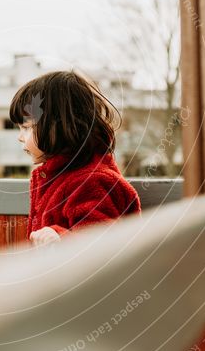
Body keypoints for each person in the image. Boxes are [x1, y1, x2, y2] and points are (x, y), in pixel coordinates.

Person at [9, 70, 141, 246]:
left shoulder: (91, 181)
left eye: (25, 127)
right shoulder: (59, 176)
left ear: (57, 125)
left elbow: (101, 244)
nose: (20, 137)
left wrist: (59, 239)